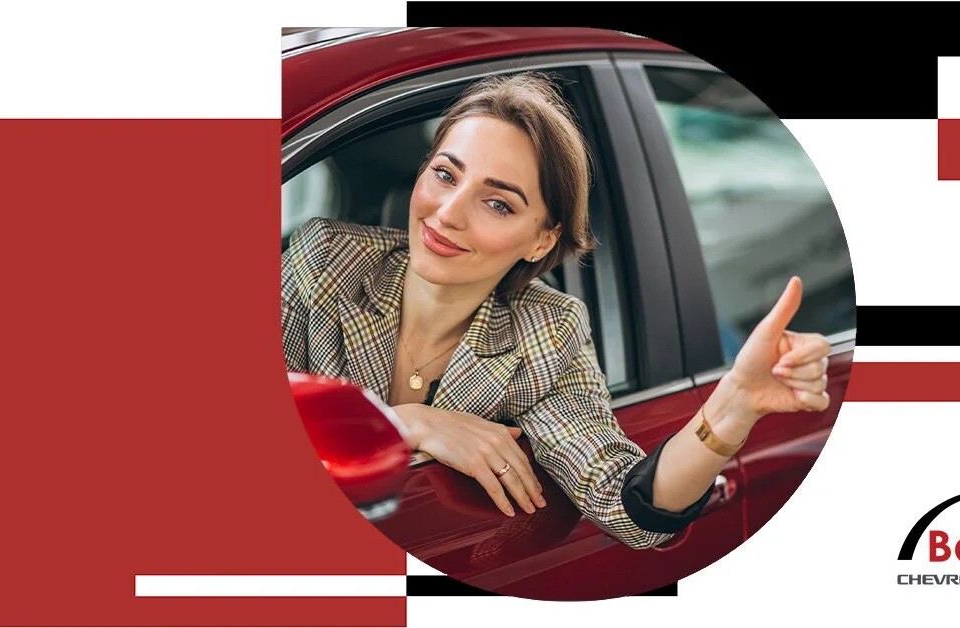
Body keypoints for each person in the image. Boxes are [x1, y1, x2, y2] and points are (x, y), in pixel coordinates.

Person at [281, 72, 832, 550]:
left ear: (541, 241)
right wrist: (407, 423)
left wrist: (733, 406)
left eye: (498, 203)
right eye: (446, 175)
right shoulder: (327, 259)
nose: (447, 214)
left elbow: (627, 506)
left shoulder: (547, 333)